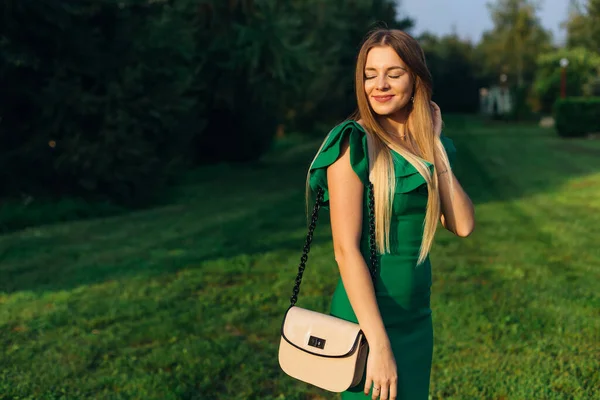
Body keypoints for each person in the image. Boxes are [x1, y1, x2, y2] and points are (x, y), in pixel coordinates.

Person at [306, 29, 476, 400]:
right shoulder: (352, 142)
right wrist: (379, 346)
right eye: (370, 74)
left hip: (416, 318)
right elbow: (345, 250)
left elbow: (462, 225)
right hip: (368, 322)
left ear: (416, 80)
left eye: (393, 73)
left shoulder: (427, 146)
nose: (379, 85)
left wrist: (433, 146)